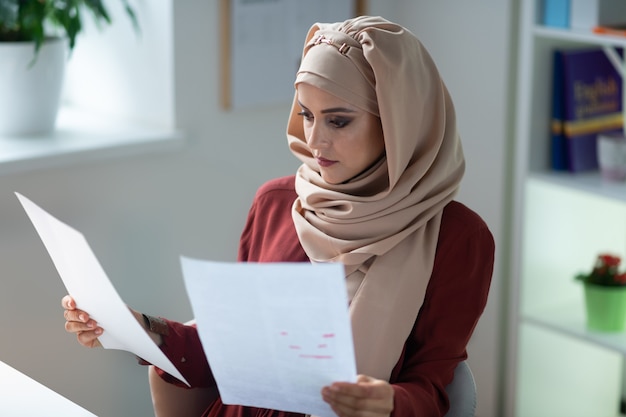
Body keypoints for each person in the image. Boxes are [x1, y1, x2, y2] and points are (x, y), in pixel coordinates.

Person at [62, 15, 495, 417]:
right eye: (306, 115)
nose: (314, 140)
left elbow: (436, 389)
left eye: (338, 121)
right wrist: (140, 329)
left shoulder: (458, 238)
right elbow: (232, 354)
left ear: (398, 124)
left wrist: (387, 403)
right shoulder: (276, 204)